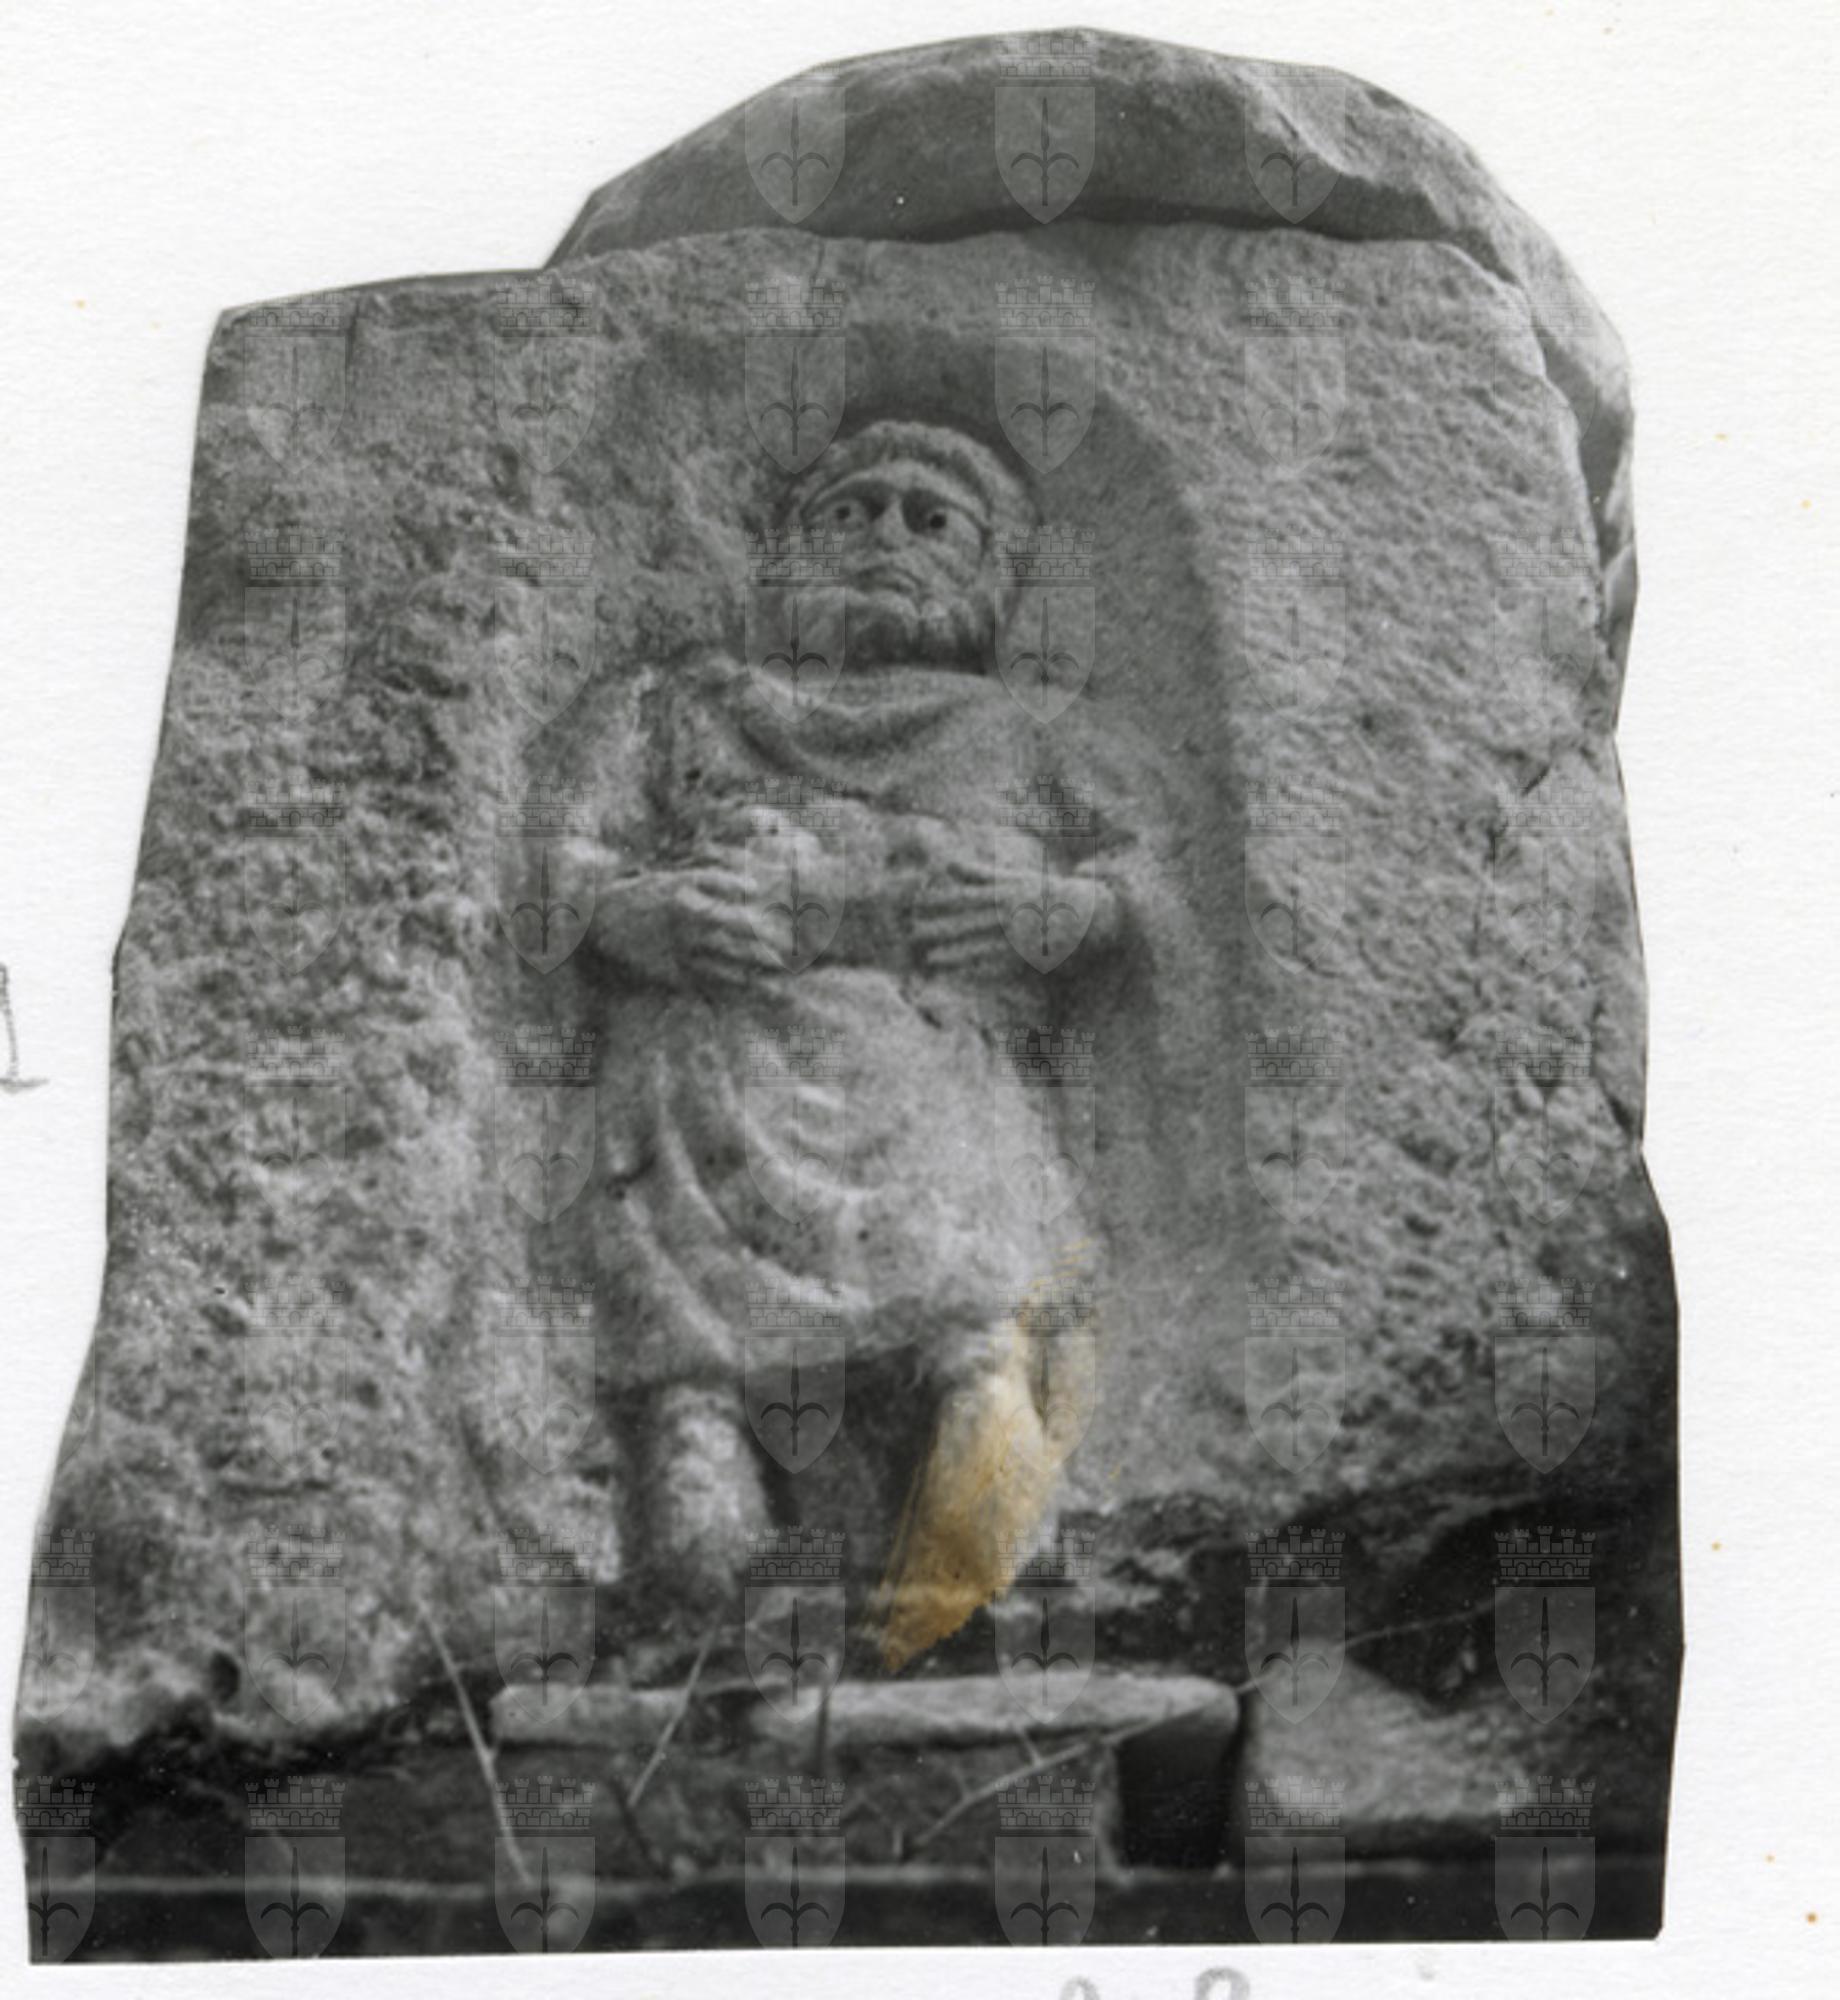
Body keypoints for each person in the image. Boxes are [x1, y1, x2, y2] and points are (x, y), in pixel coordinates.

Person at [573, 420, 1146, 1665]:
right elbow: (557, 873)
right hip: (717, 1078)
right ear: (788, 548)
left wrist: (1061, 911)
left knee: (978, 1313)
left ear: (990, 573)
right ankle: (701, 1576)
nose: (887, 536)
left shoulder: (1029, 734)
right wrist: (643, 912)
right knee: (692, 1367)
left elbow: (1159, 891)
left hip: (936, 1071)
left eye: (930, 519)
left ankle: (971, 1585)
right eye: (852, 511)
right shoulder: (679, 709)